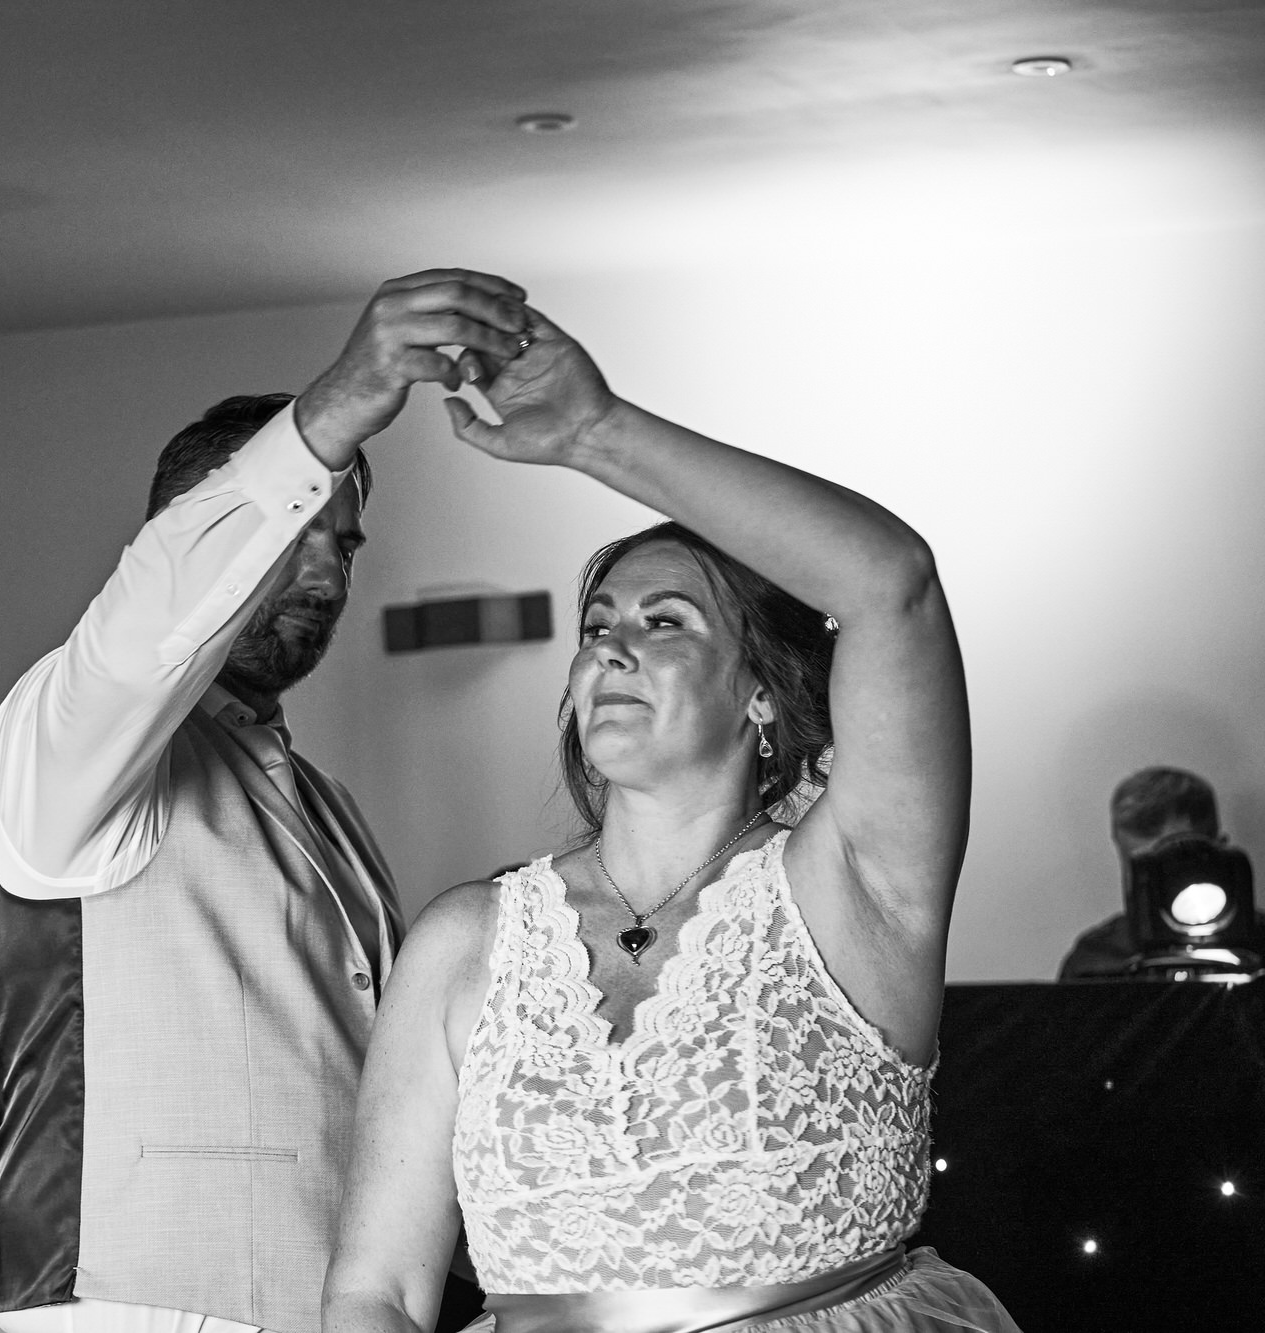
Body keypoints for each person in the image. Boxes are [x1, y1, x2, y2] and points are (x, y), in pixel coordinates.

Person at [322, 292, 1020, 1332]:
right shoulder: (464, 940)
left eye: (665, 622)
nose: (610, 647)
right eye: (597, 625)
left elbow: (891, 584)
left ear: (759, 694)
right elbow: (374, 1287)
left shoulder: (854, 885)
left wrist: (595, 433)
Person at [0, 271, 535, 1333]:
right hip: (140, 1301)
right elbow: (145, 635)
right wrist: (330, 416)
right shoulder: (66, 745)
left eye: (344, 545)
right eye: (300, 528)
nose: (324, 573)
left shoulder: (324, 806)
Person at [1058, 766, 1243, 979]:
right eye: (1143, 868)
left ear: (1219, 850)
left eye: (1176, 865)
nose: (1157, 884)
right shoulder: (1094, 962)